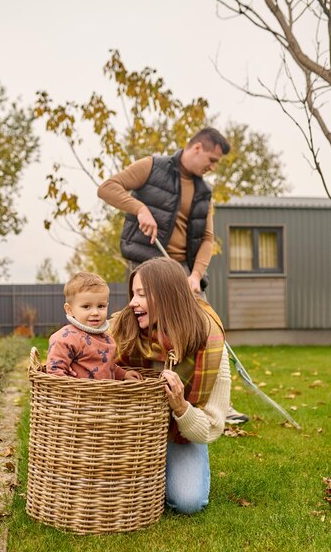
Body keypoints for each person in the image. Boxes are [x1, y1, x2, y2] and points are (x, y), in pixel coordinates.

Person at [98, 126, 249, 425]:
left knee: (206, 330)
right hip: (148, 263)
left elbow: (207, 238)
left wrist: (195, 275)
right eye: (212, 159)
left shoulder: (204, 191)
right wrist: (139, 207)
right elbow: (107, 188)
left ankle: (215, 403)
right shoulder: (152, 166)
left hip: (184, 271)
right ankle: (136, 390)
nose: (212, 167)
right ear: (196, 148)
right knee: (142, 331)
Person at [111, 257, 231, 514]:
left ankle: (168, 466)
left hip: (181, 434)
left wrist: (181, 406)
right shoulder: (124, 327)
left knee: (188, 502)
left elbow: (211, 428)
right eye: (133, 294)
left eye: (142, 294)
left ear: (167, 297)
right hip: (133, 433)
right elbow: (90, 353)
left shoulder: (209, 343)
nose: (132, 303)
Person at [46, 272, 141, 381]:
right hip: (77, 395)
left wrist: (123, 374)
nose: (95, 312)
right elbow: (55, 370)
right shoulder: (66, 338)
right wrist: (71, 388)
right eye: (86, 307)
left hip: (104, 395)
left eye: (101, 306)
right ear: (69, 310)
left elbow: (106, 366)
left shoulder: (107, 338)